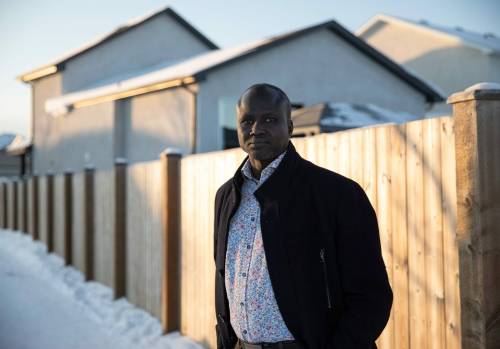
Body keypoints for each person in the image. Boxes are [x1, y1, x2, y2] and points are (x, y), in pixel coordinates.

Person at [214, 83, 392, 349]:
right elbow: (223, 279)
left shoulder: (337, 194)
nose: (256, 129)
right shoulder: (227, 196)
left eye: (270, 119)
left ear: (290, 127)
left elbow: (371, 297)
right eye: (247, 120)